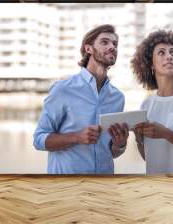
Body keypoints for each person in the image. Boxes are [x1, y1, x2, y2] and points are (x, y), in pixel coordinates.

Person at [33, 24, 129, 174]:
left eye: (115, 44)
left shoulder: (117, 98)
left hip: (104, 188)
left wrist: (120, 144)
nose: (112, 47)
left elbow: (111, 152)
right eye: (105, 42)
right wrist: (76, 137)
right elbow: (38, 140)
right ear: (88, 49)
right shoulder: (63, 89)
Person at [130, 30, 173, 174]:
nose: (169, 57)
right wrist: (138, 138)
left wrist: (166, 133)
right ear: (151, 65)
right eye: (161, 53)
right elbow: (146, 157)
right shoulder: (146, 105)